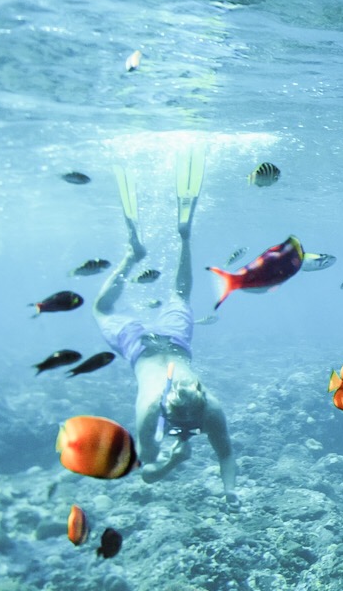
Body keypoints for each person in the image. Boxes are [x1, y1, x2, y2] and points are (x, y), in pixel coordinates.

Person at [93, 147, 236, 495]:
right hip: (142, 346)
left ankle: (147, 251)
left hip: (171, 341)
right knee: (167, 298)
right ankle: (173, 240)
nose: (186, 427)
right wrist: (226, 489)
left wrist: (228, 490)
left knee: (166, 298)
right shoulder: (199, 410)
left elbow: (147, 469)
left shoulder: (161, 409)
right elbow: (224, 457)